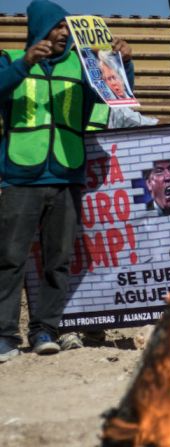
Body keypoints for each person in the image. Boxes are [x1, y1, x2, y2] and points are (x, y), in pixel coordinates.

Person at [0, 0, 134, 362]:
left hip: (66, 175)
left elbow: (115, 96)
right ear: (40, 29)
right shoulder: (9, 58)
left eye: (66, 28)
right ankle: (5, 336)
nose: (62, 34)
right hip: (20, 176)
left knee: (57, 261)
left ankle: (45, 328)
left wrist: (121, 62)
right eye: (56, 27)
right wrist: (24, 63)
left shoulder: (83, 64)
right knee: (9, 258)